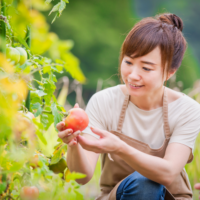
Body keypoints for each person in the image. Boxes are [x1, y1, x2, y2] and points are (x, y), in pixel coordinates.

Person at [56, 13, 200, 200]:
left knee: (148, 180)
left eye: (146, 68)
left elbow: (168, 173)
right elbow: (82, 178)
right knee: (143, 184)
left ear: (170, 73)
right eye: (129, 62)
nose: (132, 75)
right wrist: (73, 144)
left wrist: (119, 148)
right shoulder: (104, 101)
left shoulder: (187, 109)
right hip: (116, 196)